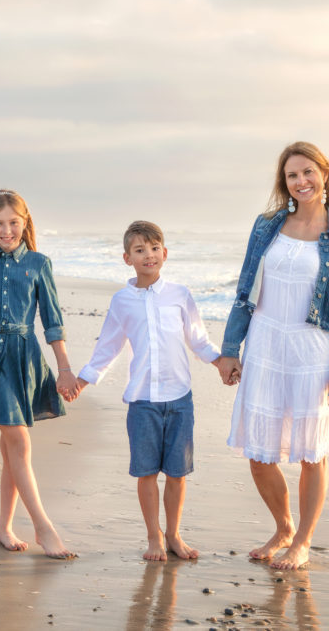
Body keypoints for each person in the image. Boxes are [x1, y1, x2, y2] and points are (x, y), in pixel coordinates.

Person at [216, 141, 329, 571]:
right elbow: (244, 291)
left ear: (325, 175)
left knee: (311, 453)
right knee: (259, 454)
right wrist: (230, 349)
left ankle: (302, 541)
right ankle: (282, 526)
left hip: (312, 348)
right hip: (263, 341)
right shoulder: (266, 227)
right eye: (292, 176)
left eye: (307, 173)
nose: (301, 182)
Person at [75, 221, 223, 561]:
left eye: (154, 249)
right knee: (146, 473)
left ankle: (173, 534)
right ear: (127, 258)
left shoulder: (180, 295)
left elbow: (198, 339)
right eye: (140, 250)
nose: (148, 255)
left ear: (165, 254)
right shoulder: (122, 301)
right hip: (142, 402)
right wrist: (84, 379)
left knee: (177, 473)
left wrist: (221, 363)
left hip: (180, 400)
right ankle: (153, 537)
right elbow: (108, 346)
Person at [0, 189, 78, 559]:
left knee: (11, 450)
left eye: (13, 223)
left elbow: (52, 321)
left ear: (25, 223)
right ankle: (42, 527)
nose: (7, 230)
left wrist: (64, 369)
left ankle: (5, 526)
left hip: (23, 357)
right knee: (18, 441)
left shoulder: (39, 263)